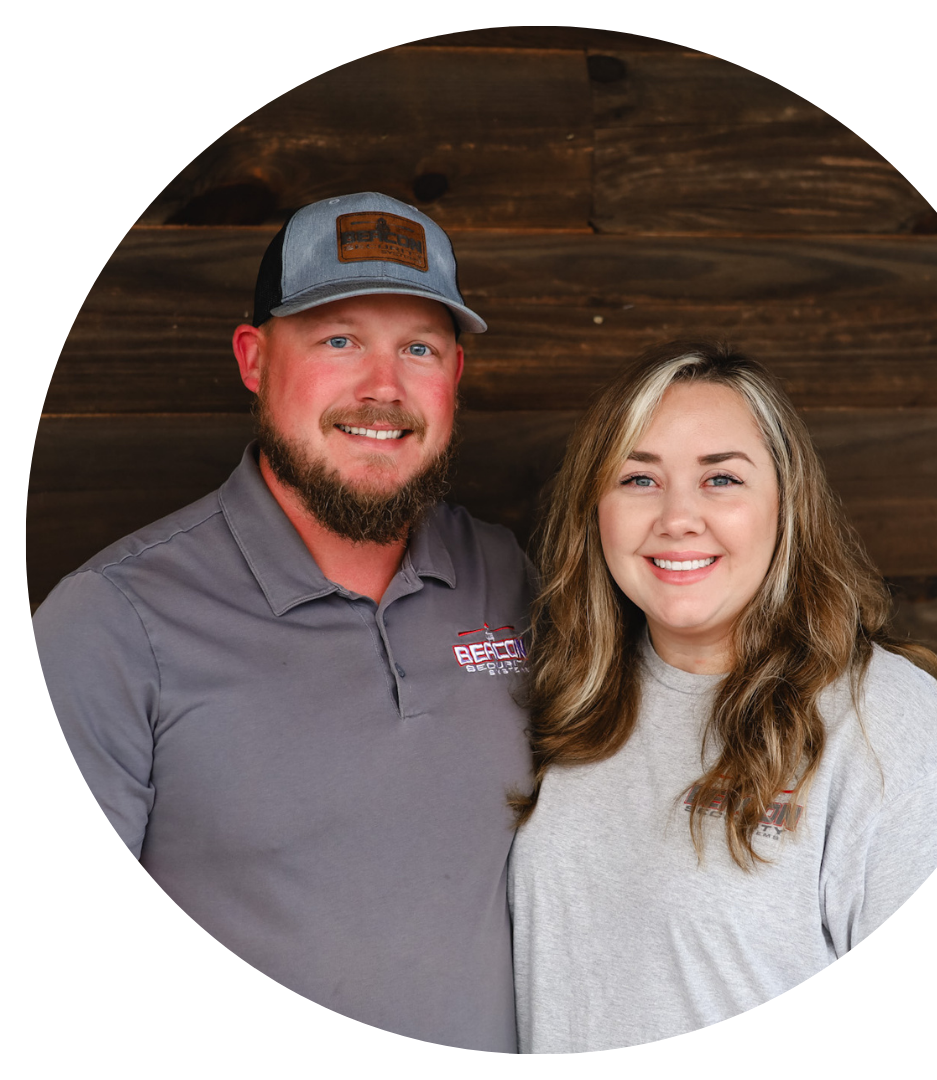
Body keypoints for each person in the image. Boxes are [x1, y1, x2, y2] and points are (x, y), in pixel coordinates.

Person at [33, 192, 533, 1052]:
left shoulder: (511, 576)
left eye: (419, 347)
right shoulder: (110, 622)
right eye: (339, 340)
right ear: (255, 359)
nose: (383, 389)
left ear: (454, 378)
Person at [508, 341, 937, 1053]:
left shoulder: (889, 726)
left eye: (721, 480)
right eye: (639, 480)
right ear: (595, 509)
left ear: (786, 503)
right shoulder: (567, 696)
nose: (678, 518)